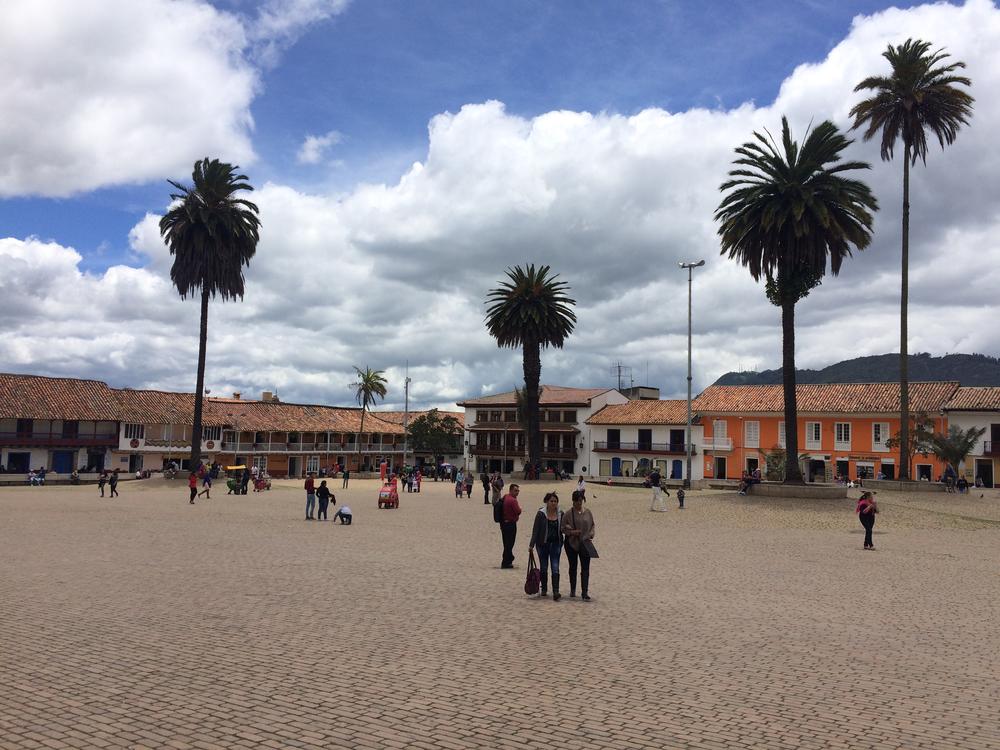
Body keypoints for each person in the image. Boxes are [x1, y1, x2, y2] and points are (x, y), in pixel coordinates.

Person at [561, 490, 595, 600]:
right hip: (571, 544)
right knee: (573, 566)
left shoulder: (588, 512)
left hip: (585, 543)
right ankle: (573, 589)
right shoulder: (568, 514)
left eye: (581, 501)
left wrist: (591, 533)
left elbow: (592, 525)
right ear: (573, 501)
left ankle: (585, 592)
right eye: (577, 501)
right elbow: (562, 528)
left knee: (585, 568)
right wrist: (571, 532)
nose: (579, 503)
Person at [529, 492, 563, 600]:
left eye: (555, 501)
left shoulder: (560, 513)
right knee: (543, 567)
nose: (553, 503)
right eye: (551, 501)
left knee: (555, 566)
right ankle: (544, 589)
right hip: (542, 544)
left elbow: (564, 527)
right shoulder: (541, 514)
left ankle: (556, 591)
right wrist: (531, 545)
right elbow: (536, 530)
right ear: (546, 502)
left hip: (556, 544)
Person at [499, 483, 522, 569]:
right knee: (509, 544)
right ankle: (506, 562)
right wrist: (521, 509)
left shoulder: (505, 497)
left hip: (504, 524)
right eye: (515, 491)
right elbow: (518, 511)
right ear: (511, 490)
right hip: (510, 524)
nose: (517, 492)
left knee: (506, 543)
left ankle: (508, 560)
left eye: (518, 491)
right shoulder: (513, 500)